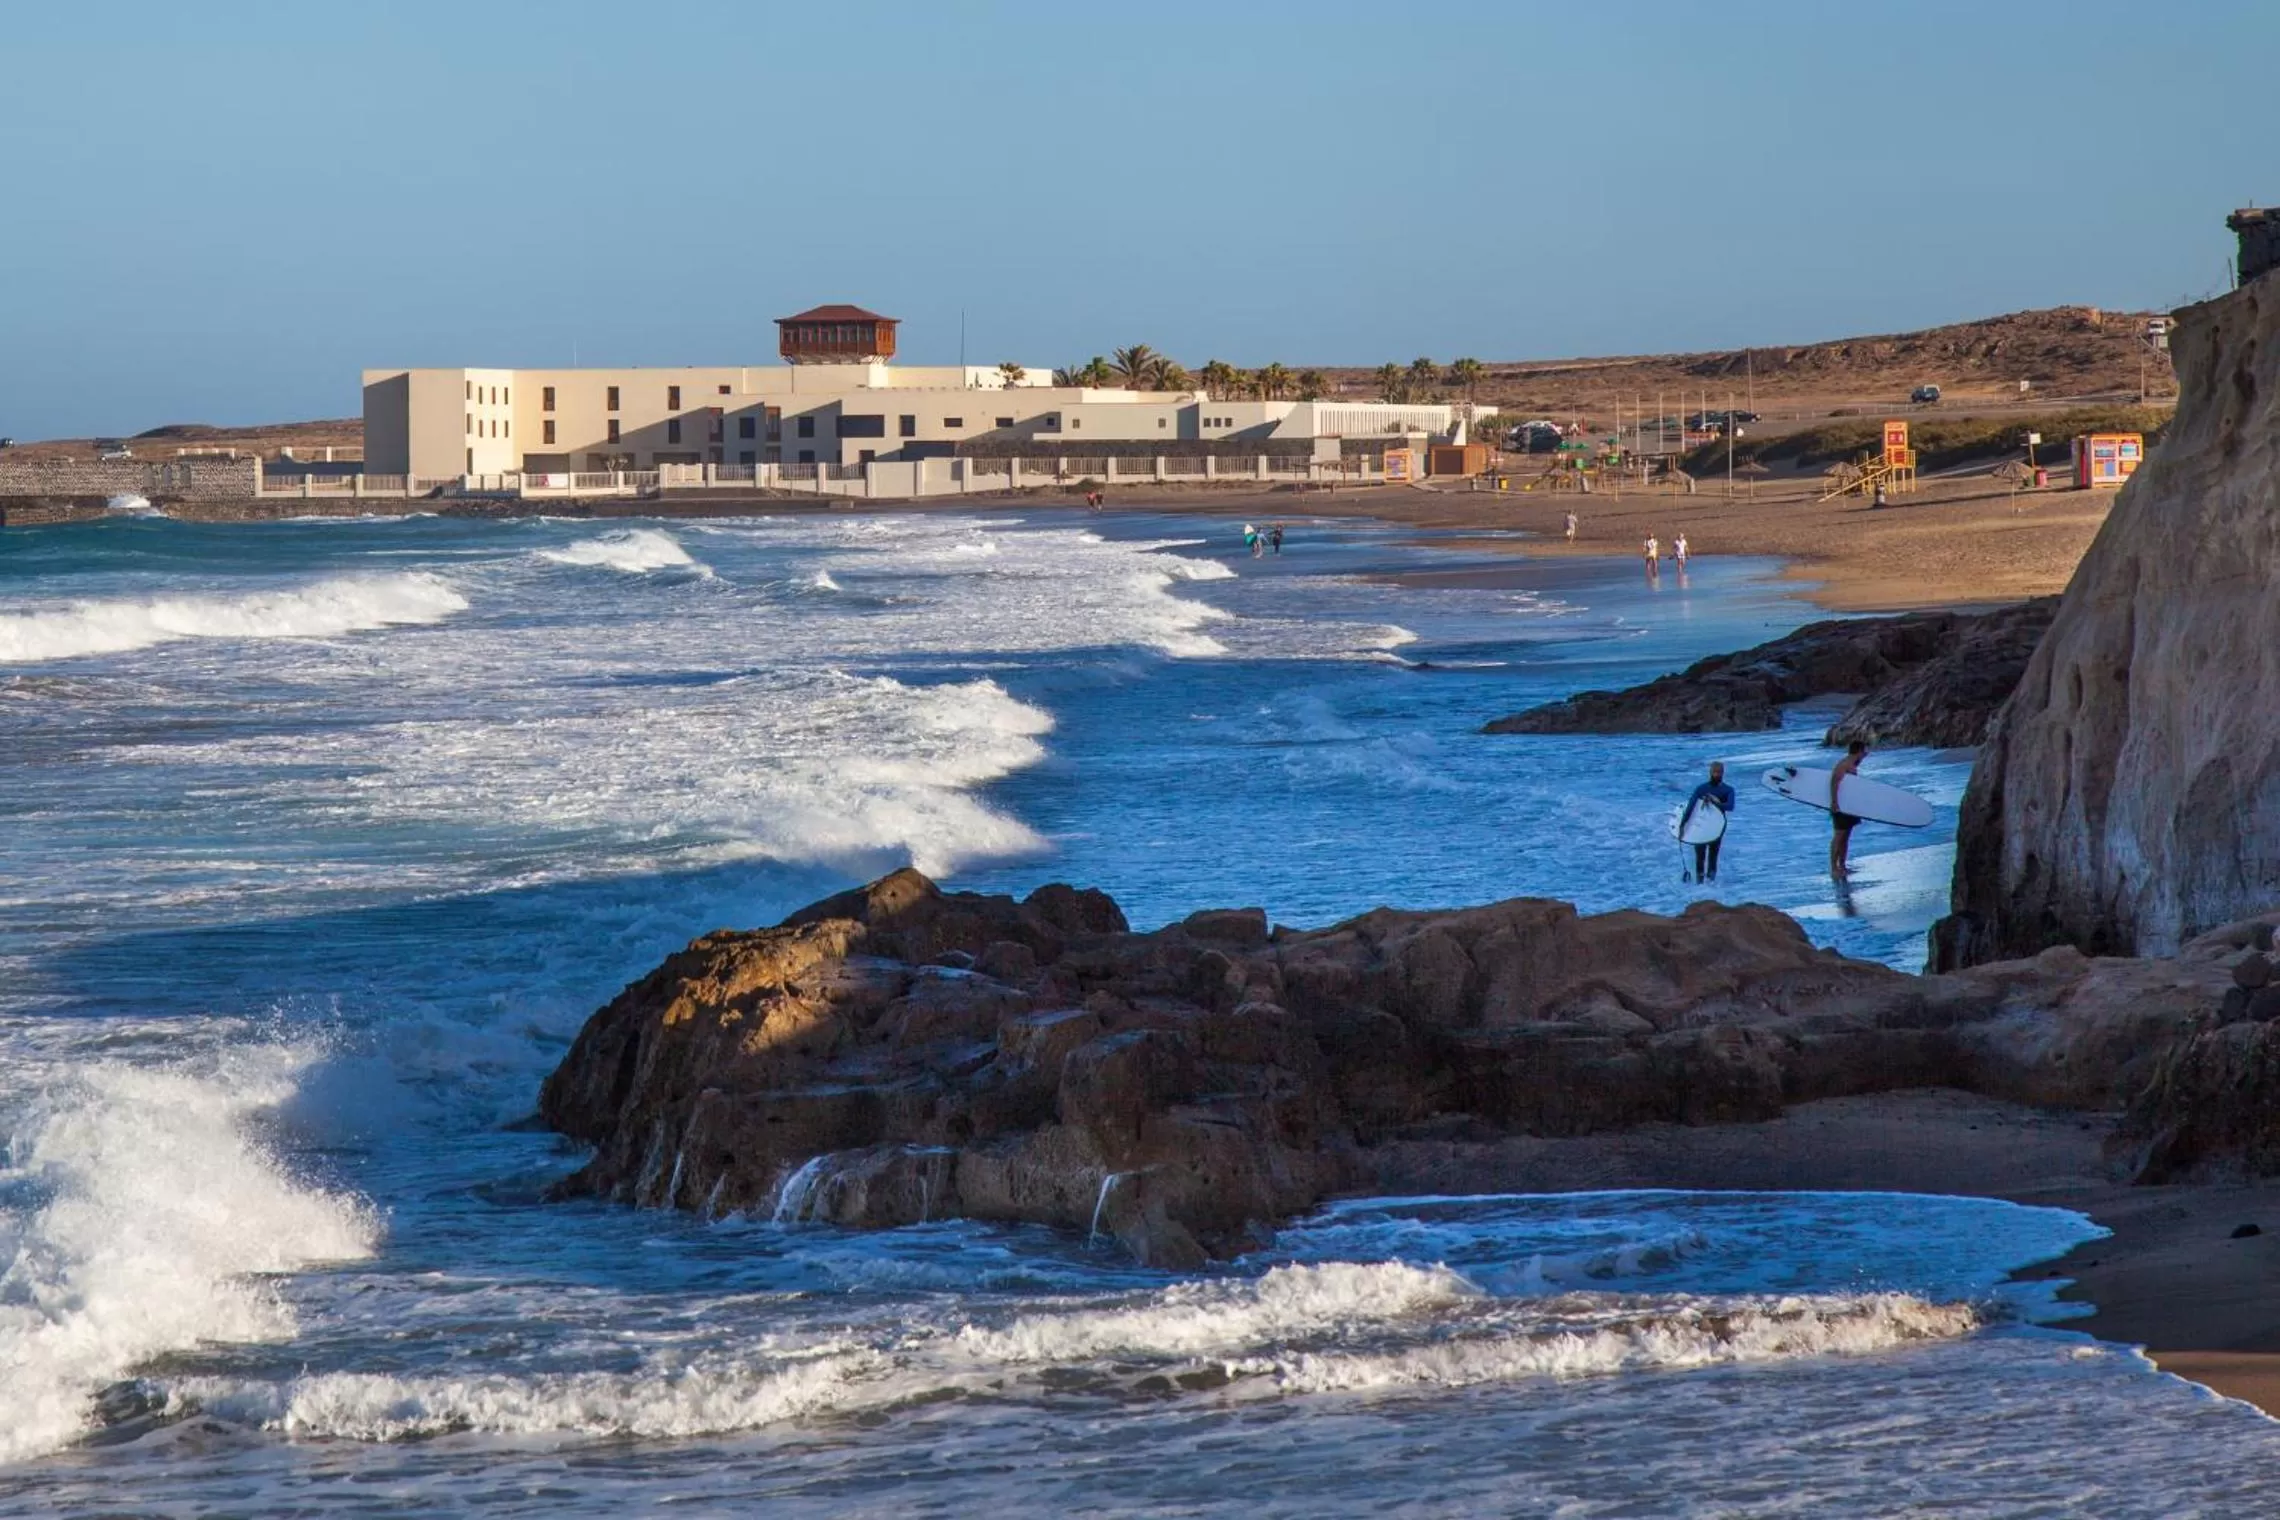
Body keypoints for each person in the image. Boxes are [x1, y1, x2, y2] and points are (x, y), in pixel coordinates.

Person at [1680, 761, 1735, 883]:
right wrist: (1683, 825)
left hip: (1718, 827)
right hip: (1701, 826)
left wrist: (1715, 802)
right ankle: (1700, 884)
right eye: (1714, 772)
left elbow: (1730, 806)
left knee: (1713, 855)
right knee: (1700, 856)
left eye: (1719, 772)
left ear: (1723, 773)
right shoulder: (1701, 789)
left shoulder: (1728, 790)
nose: (1716, 774)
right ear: (1710, 772)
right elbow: (1691, 807)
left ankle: (1711, 883)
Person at [1828, 739, 1868, 879]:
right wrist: (1834, 803)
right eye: (1864, 752)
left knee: (1846, 837)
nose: (1865, 754)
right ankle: (1834, 868)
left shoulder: (1852, 764)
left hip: (1849, 806)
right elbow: (1834, 783)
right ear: (1858, 751)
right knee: (1838, 836)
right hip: (1840, 806)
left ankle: (1842, 866)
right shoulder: (1844, 765)